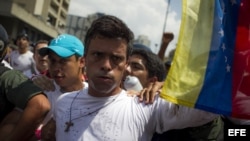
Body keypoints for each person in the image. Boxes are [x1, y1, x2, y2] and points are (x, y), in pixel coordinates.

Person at [41, 15, 217, 141]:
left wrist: (171, 88)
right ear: (84, 60)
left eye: (116, 58)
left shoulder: (145, 105)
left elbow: (210, 109)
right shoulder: (64, 103)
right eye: (98, 55)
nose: (106, 65)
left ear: (126, 65)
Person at [0, 25, 51, 141]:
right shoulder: (24, 74)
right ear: (34, 56)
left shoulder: (10, 76)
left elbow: (39, 105)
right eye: (40, 52)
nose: (43, 57)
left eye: (47, 53)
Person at [36, 34, 87, 140]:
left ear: (81, 62)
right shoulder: (41, 90)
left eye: (63, 61)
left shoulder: (95, 96)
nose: (56, 68)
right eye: (53, 61)